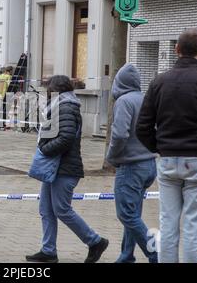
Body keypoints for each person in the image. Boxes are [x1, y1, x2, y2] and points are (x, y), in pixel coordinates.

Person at [136, 29, 197, 263]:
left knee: (168, 225)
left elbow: (142, 126)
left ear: (176, 49)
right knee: (194, 227)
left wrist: (160, 148)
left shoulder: (159, 82)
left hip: (168, 161)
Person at [26, 75, 108, 263]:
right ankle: (48, 251)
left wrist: (44, 148)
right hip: (54, 168)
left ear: (56, 90)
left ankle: (95, 241)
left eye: (48, 88)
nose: (46, 92)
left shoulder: (65, 107)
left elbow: (66, 138)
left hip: (64, 169)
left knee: (62, 209)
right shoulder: (59, 105)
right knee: (46, 209)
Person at [105, 64, 158, 263]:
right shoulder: (146, 99)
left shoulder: (124, 101)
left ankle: (156, 254)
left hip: (131, 167)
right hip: (149, 165)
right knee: (133, 212)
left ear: (119, 83)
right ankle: (126, 255)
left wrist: (112, 157)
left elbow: (119, 135)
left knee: (126, 215)